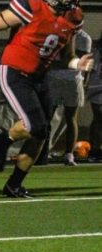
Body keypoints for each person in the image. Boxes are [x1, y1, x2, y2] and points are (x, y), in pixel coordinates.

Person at [0, 0, 93, 198]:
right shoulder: (31, 6)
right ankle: (6, 138)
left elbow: (67, 57)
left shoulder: (73, 16)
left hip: (39, 76)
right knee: (35, 126)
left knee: (41, 133)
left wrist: (78, 65)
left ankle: (13, 184)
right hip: (14, 70)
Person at [47, 28, 92, 165]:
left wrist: (85, 81)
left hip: (72, 80)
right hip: (53, 78)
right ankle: (43, 151)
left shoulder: (84, 38)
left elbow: (81, 62)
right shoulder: (55, 32)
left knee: (71, 117)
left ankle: (69, 154)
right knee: (47, 116)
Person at [86, 31, 102, 160]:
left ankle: (96, 148)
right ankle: (95, 148)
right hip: (97, 87)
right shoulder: (97, 50)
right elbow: (91, 69)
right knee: (98, 116)